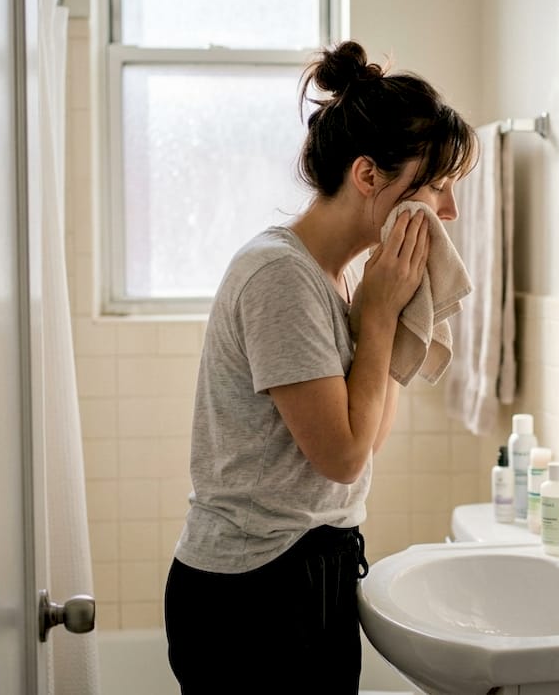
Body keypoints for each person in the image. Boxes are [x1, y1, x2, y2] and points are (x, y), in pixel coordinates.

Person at [163, 40, 476, 692]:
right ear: (368, 176)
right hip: (250, 594)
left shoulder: (336, 278)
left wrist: (385, 314)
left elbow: (367, 437)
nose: (448, 211)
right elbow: (343, 458)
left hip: (310, 570)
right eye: (436, 186)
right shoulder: (280, 276)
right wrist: (379, 317)